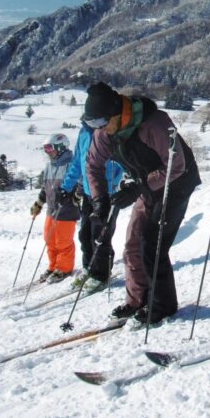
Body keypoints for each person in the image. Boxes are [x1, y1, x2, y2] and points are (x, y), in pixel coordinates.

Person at [84, 82, 201, 325]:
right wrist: (100, 201)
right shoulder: (106, 132)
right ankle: (137, 300)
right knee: (133, 243)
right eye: (92, 124)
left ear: (117, 112)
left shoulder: (155, 124)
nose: (99, 129)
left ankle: (162, 306)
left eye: (101, 122)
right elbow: (93, 166)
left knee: (153, 243)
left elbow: (175, 166)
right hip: (147, 184)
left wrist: (139, 187)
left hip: (177, 183)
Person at [61, 120, 125, 294]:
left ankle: (101, 274)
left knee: (100, 235)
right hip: (90, 193)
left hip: (107, 193)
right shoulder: (84, 133)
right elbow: (77, 163)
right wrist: (66, 187)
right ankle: (88, 268)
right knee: (85, 234)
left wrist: (116, 184)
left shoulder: (110, 131)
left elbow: (121, 162)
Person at [29, 133, 81, 283]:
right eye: (45, 149)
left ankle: (64, 268)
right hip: (51, 210)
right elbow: (45, 188)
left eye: (50, 148)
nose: (48, 152)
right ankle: (53, 266)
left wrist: (76, 197)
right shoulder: (49, 166)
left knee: (63, 241)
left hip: (67, 209)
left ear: (61, 147)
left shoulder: (71, 164)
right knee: (49, 239)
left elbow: (80, 184)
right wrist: (39, 203)